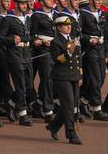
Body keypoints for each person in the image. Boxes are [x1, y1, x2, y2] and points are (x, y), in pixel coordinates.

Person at [0, 0, 33, 126]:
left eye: (26, 3)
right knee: (21, 86)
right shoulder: (9, 19)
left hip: (27, 54)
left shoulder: (28, 18)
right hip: (14, 55)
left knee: (29, 87)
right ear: (16, 4)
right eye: (22, 4)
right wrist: (11, 40)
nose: (25, 6)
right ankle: (23, 115)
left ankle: (11, 103)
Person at [46, 16, 82, 145]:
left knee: (70, 105)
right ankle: (71, 134)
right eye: (65, 25)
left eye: (70, 25)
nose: (69, 27)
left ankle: (54, 126)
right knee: (69, 105)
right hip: (61, 76)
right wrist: (69, 53)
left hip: (73, 76)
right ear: (59, 27)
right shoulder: (56, 41)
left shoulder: (72, 39)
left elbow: (78, 59)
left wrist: (80, 74)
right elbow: (57, 59)